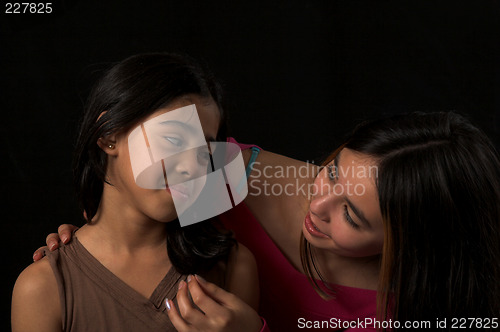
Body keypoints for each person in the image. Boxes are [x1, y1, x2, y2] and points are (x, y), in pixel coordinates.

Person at [36, 112, 500, 330]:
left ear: (412, 245)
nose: (316, 207)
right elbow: (125, 204)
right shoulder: (231, 175)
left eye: (352, 217)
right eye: (331, 171)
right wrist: (84, 256)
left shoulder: (417, 313)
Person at [12, 53, 266, 332]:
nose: (191, 167)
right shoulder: (42, 289)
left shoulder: (233, 268)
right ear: (109, 134)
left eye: (205, 153)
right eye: (173, 139)